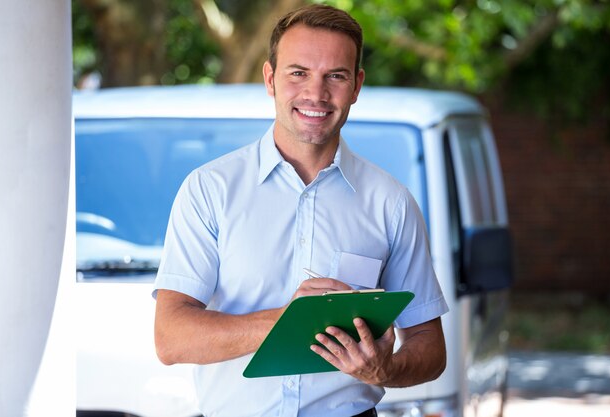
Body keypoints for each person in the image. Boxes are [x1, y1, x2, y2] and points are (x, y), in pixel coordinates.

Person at [154, 4, 448, 417]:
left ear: (357, 85)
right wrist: (286, 321)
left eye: (336, 76)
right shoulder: (209, 190)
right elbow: (171, 338)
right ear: (270, 78)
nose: (317, 93)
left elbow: (430, 347)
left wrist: (387, 368)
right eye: (299, 73)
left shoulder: (391, 203)